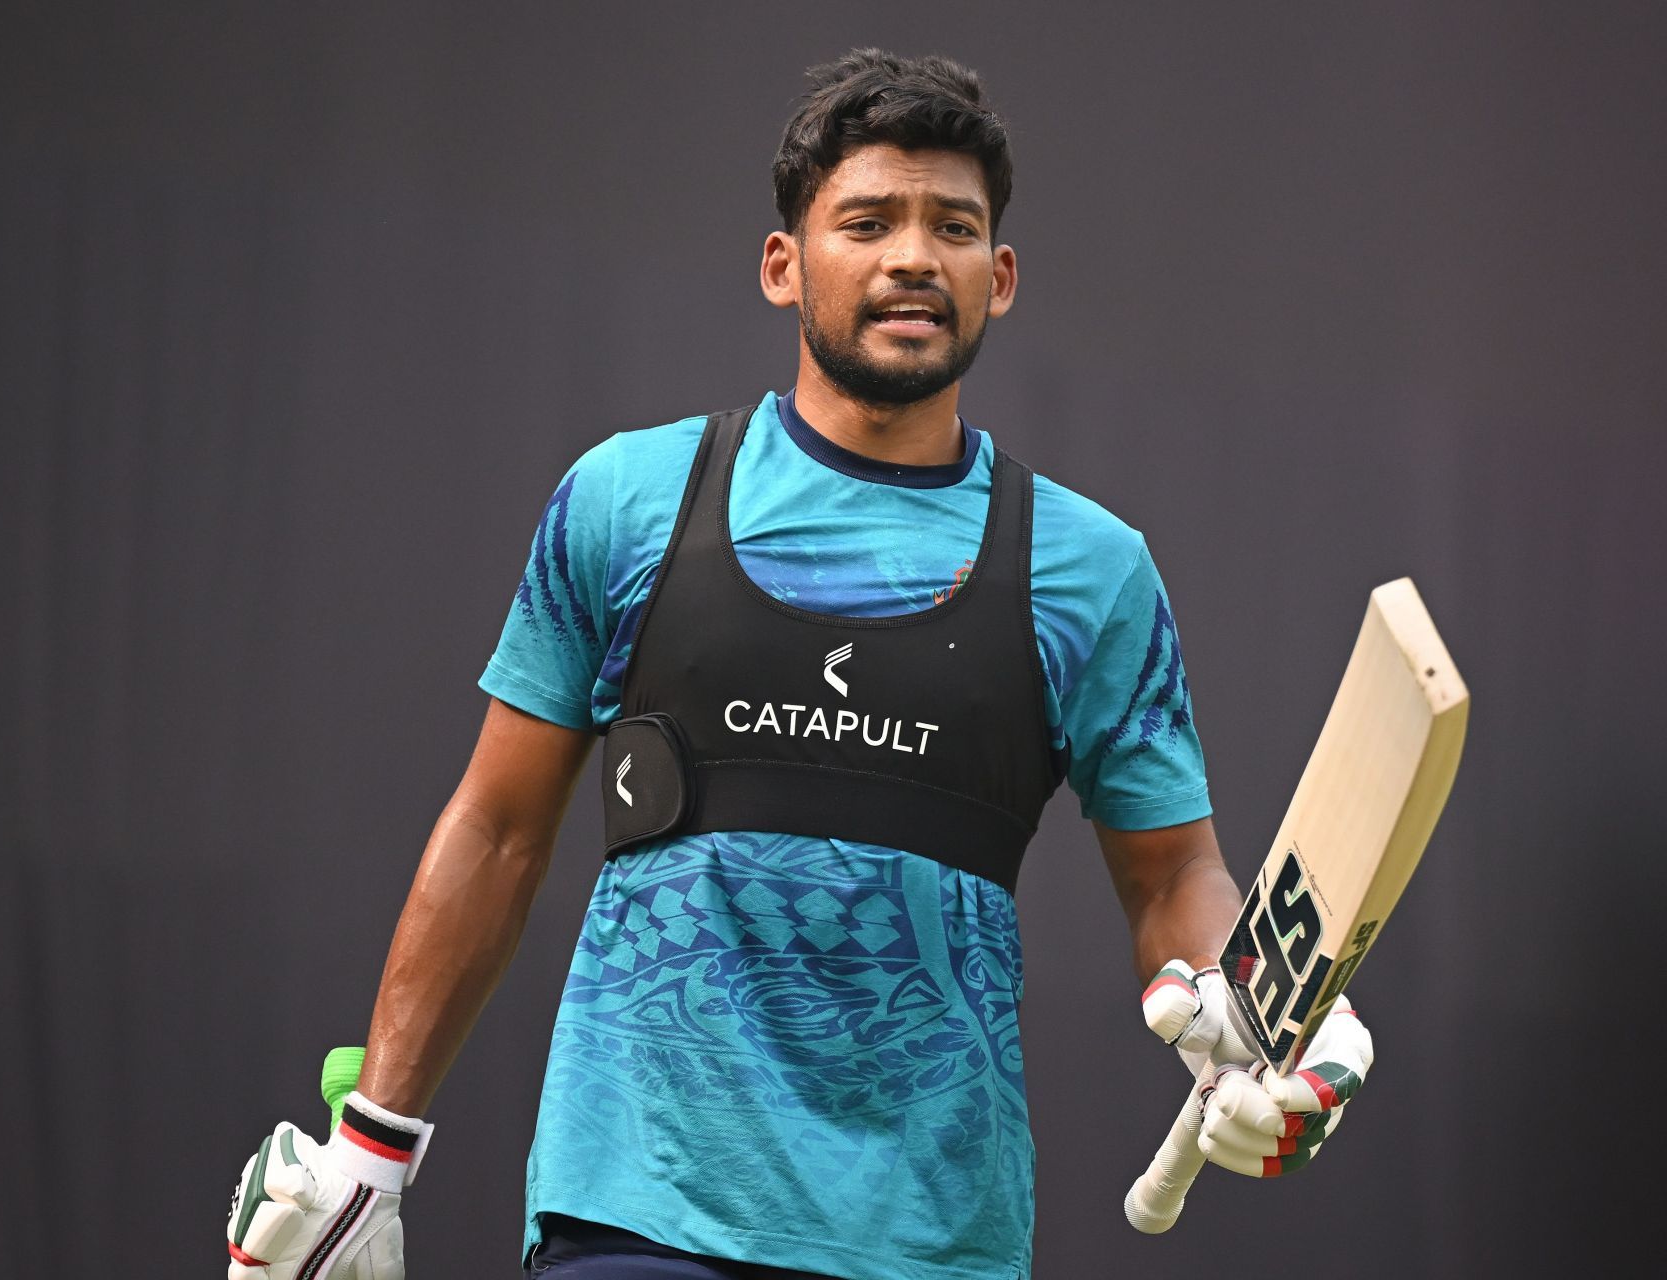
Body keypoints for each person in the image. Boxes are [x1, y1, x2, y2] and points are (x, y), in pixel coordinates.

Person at [224, 48, 1375, 1280]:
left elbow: (1173, 876)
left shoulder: (1093, 571)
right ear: (786, 265)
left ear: (1002, 277)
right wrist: (373, 1140)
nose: (913, 257)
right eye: (867, 221)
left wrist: (1265, 1021)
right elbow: (499, 830)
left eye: (954, 227)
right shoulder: (627, 500)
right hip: (639, 1210)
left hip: (938, 1236)